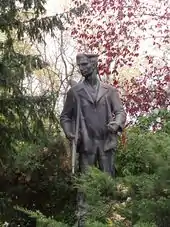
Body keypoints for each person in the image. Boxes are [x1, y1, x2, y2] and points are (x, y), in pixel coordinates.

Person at [60, 53, 126, 227]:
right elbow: (65, 117)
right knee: (85, 184)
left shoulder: (109, 91)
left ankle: (109, 217)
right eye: (79, 65)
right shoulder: (75, 92)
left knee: (107, 182)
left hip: (106, 142)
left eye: (84, 65)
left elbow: (120, 111)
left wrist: (117, 124)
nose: (81, 69)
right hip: (86, 143)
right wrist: (70, 133)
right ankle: (83, 220)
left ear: (94, 65)